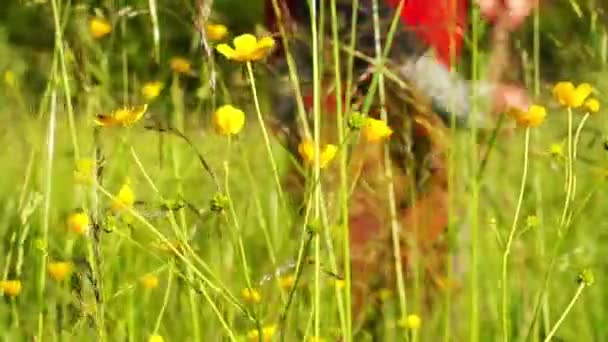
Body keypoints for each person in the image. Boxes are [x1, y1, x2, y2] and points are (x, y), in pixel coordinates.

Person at [263, 0, 536, 320]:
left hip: (415, 112)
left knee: (427, 291)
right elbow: (346, 13)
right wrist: (457, 97)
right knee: (352, 294)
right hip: (347, 107)